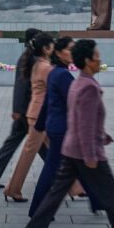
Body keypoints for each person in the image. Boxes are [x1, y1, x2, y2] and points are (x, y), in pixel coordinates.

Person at [23, 40, 114, 228]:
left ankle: (35, 227)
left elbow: (78, 118)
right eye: (96, 56)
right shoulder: (88, 87)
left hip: (71, 147)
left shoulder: (78, 82)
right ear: (87, 61)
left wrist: (102, 134)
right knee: (111, 194)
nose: (100, 60)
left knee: (58, 191)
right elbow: (84, 125)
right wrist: (90, 155)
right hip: (85, 150)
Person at [29, 36, 102, 217]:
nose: (72, 52)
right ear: (58, 52)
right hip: (63, 130)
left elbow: (47, 102)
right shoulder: (62, 75)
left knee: (79, 167)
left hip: (57, 128)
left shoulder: (55, 72)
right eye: (69, 49)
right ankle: (37, 209)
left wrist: (40, 125)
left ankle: (96, 201)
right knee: (53, 170)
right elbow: (76, 104)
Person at [0, 28, 46, 188]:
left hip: (26, 111)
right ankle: (65, 178)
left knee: (23, 144)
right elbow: (21, 86)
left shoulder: (30, 58)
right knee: (42, 145)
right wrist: (17, 110)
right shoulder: (30, 60)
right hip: (28, 112)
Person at [4, 32, 55, 202]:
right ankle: (13, 188)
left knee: (57, 151)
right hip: (41, 116)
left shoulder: (37, 64)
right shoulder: (45, 67)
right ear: (47, 48)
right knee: (30, 153)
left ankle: (75, 187)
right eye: (52, 45)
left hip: (37, 114)